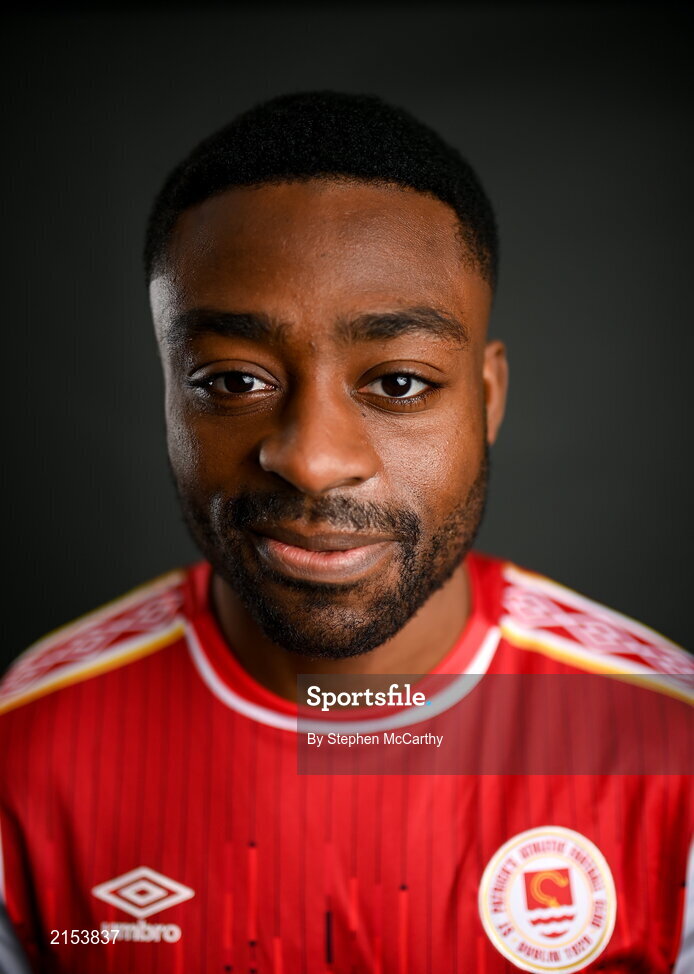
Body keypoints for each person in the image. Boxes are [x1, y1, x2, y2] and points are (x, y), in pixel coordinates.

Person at [0, 91, 691, 974]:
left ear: (488, 398)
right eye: (232, 381)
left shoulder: (665, 739)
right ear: (168, 394)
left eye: (399, 383)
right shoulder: (32, 744)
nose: (314, 460)